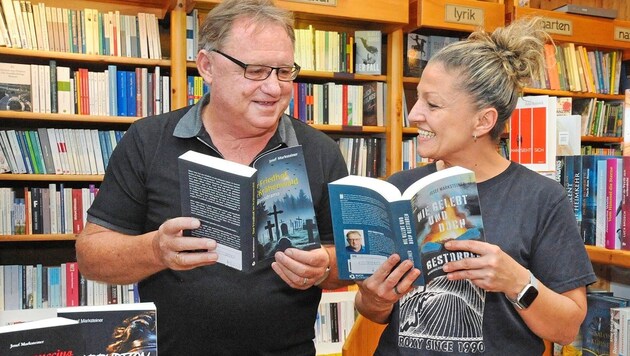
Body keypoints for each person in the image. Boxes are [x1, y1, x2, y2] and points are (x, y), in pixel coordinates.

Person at [75, 0, 349, 354]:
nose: (274, 87)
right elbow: (91, 256)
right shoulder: (149, 140)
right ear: (206, 65)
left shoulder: (320, 150)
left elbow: (351, 261)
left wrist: (324, 265)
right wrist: (156, 250)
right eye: (255, 70)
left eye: (284, 72)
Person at [354, 17, 597, 355]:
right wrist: (374, 297)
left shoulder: (541, 198)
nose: (413, 114)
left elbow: (567, 328)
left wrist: (516, 281)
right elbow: (372, 312)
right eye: (417, 99)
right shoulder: (399, 190)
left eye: (432, 104)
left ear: (483, 121)